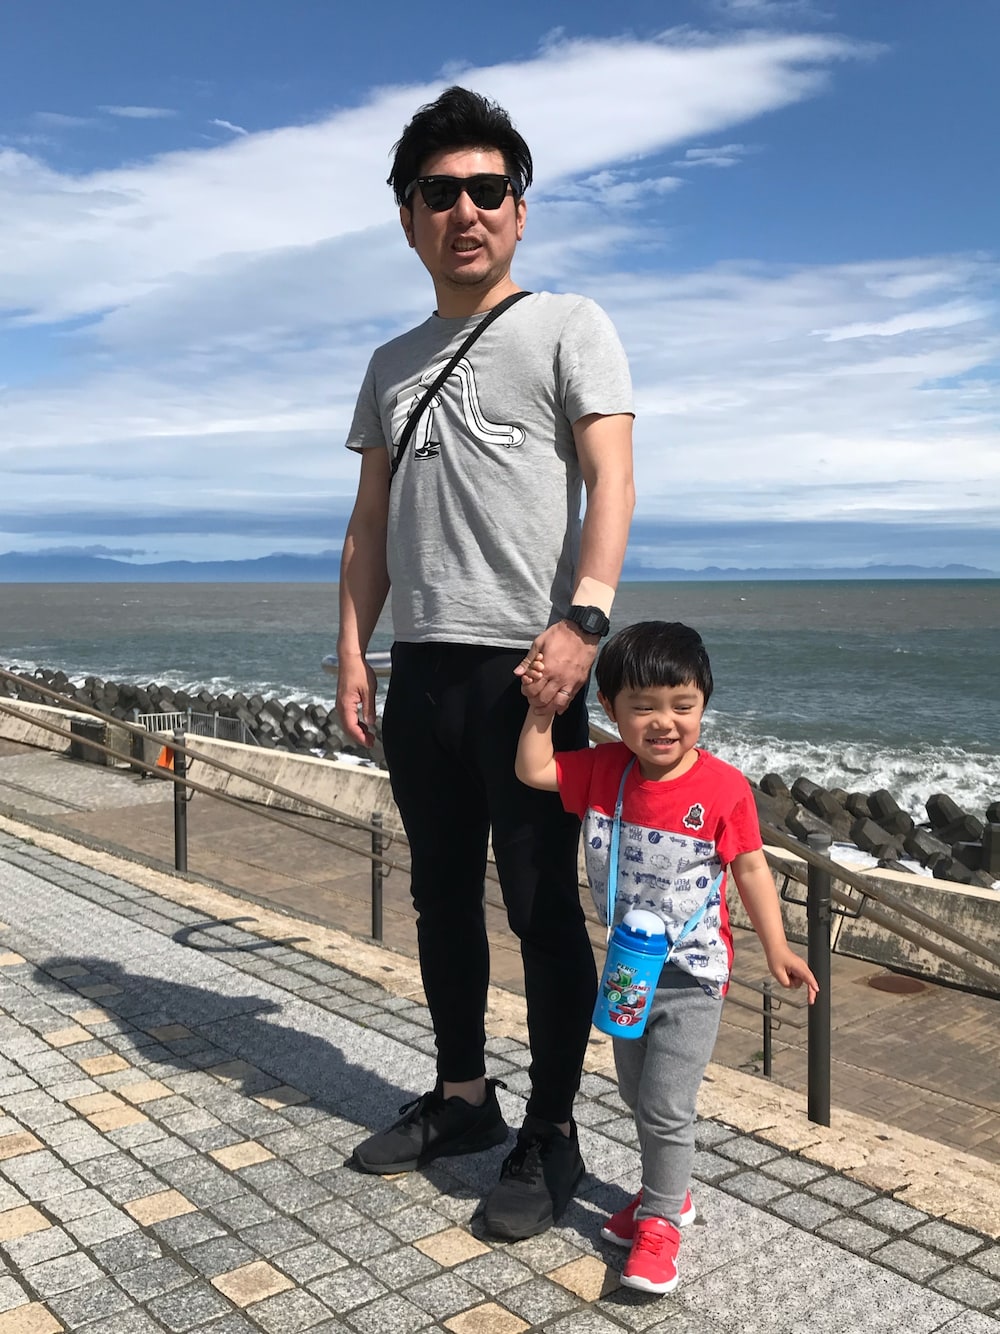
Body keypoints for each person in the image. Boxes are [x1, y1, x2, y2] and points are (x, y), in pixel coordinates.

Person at [335, 84, 635, 1240]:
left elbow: (611, 478)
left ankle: (551, 1129)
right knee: (438, 894)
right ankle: (463, 1097)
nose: (465, 210)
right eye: (439, 192)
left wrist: (584, 621)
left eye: (487, 189)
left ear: (519, 208)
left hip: (530, 675)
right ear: (408, 217)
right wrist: (353, 648)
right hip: (421, 671)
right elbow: (370, 522)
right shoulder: (390, 361)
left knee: (543, 906)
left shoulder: (568, 324)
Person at [516, 621, 817, 1290]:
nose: (664, 723)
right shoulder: (604, 772)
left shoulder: (725, 789)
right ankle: (668, 1192)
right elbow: (533, 769)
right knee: (635, 1092)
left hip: (693, 976)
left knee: (664, 1103)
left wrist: (778, 948)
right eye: (644, 706)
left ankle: (660, 1224)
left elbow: (751, 868)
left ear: (704, 702)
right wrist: (540, 709)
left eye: (683, 706)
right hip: (628, 968)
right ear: (609, 707)